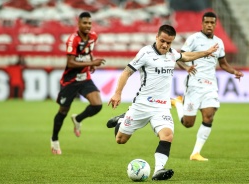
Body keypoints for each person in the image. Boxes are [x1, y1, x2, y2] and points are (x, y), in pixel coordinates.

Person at [107, 25, 218, 180]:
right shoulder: (145, 53)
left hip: (161, 107)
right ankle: (121, 119)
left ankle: (159, 170)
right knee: (121, 140)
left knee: (167, 136)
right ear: (156, 37)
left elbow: (186, 57)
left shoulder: (172, 54)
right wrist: (117, 93)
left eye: (169, 43)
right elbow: (127, 72)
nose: (165, 45)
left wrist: (206, 53)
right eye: (163, 41)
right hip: (142, 105)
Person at [171, 11, 244, 161]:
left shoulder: (219, 42)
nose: (209, 25)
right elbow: (179, 57)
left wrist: (234, 71)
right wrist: (186, 68)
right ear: (202, 24)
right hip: (194, 85)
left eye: (212, 23)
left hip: (210, 86)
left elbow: (223, 64)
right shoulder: (193, 39)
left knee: (209, 116)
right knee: (188, 124)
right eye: (207, 22)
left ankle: (195, 153)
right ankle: (178, 103)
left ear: (216, 25)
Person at [50, 12, 106, 155]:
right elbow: (70, 62)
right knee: (63, 111)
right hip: (70, 80)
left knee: (97, 104)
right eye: (84, 23)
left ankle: (78, 119)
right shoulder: (72, 40)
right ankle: (54, 140)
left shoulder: (93, 36)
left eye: (89, 23)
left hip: (84, 78)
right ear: (78, 24)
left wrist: (91, 63)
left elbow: (88, 52)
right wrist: (92, 62)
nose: (87, 26)